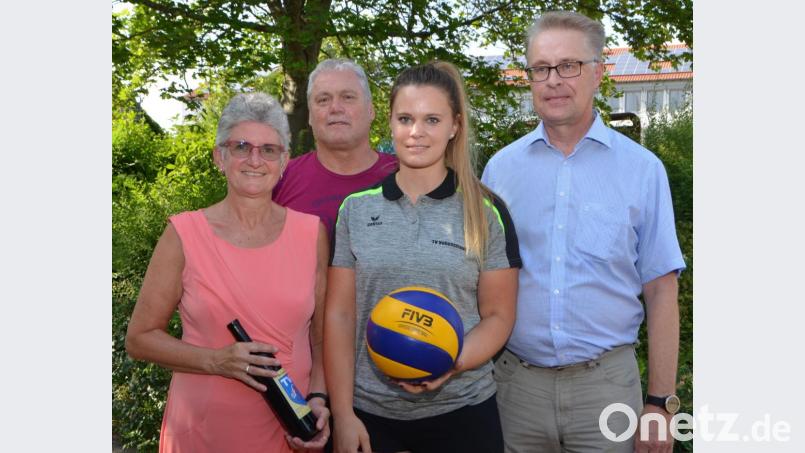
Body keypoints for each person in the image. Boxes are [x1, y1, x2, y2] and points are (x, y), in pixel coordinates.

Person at [481, 10, 687, 453]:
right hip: (517, 390)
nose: (553, 79)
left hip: (607, 390)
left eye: (568, 65)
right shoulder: (500, 171)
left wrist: (660, 404)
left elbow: (661, 291)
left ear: (598, 74)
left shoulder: (642, 171)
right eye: (541, 68)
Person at [324, 61, 522, 453]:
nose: (416, 132)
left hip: (463, 412)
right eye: (405, 118)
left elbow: (499, 316)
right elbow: (340, 316)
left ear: (454, 126)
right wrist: (343, 414)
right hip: (370, 414)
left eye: (432, 119)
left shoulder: (486, 212)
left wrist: (451, 361)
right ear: (391, 125)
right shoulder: (355, 210)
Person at [125, 92, 330, 452]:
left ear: (284, 161)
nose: (255, 159)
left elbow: (322, 337)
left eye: (269, 150)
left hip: (288, 429)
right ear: (220, 157)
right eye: (241, 146)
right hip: (202, 430)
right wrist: (215, 360)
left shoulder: (312, 233)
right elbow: (139, 338)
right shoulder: (184, 235)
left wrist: (317, 398)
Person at [273, 58, 397, 239]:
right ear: (309, 115)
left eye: (348, 97)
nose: (335, 108)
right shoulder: (279, 179)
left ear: (371, 110)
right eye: (323, 100)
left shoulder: (404, 175)